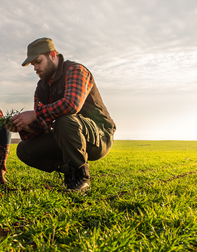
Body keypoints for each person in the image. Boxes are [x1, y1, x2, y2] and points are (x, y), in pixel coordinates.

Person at [7, 38, 116, 192]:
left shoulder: (75, 70)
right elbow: (41, 125)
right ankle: (69, 169)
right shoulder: (41, 87)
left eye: (38, 62)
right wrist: (24, 126)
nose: (35, 68)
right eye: (33, 65)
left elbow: (71, 104)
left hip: (99, 136)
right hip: (66, 136)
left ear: (52, 55)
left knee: (64, 120)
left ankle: (80, 179)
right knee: (24, 149)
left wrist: (35, 114)